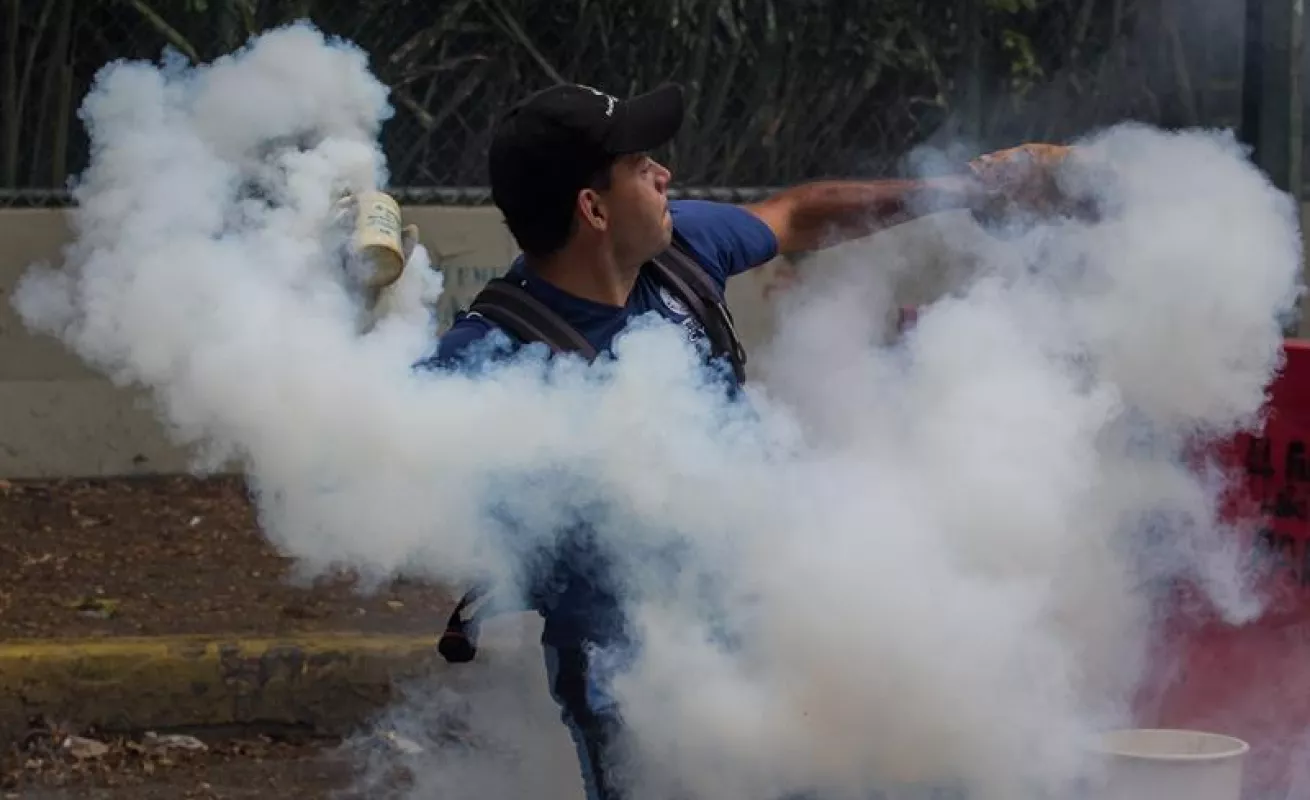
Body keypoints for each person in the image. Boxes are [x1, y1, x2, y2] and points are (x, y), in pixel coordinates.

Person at [413, 81, 1072, 800]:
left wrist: (963, 188)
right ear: (593, 209)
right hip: (639, 678)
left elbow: (796, 212)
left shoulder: (679, 248)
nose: (665, 175)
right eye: (640, 166)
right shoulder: (491, 358)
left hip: (771, 610)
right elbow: (367, 466)